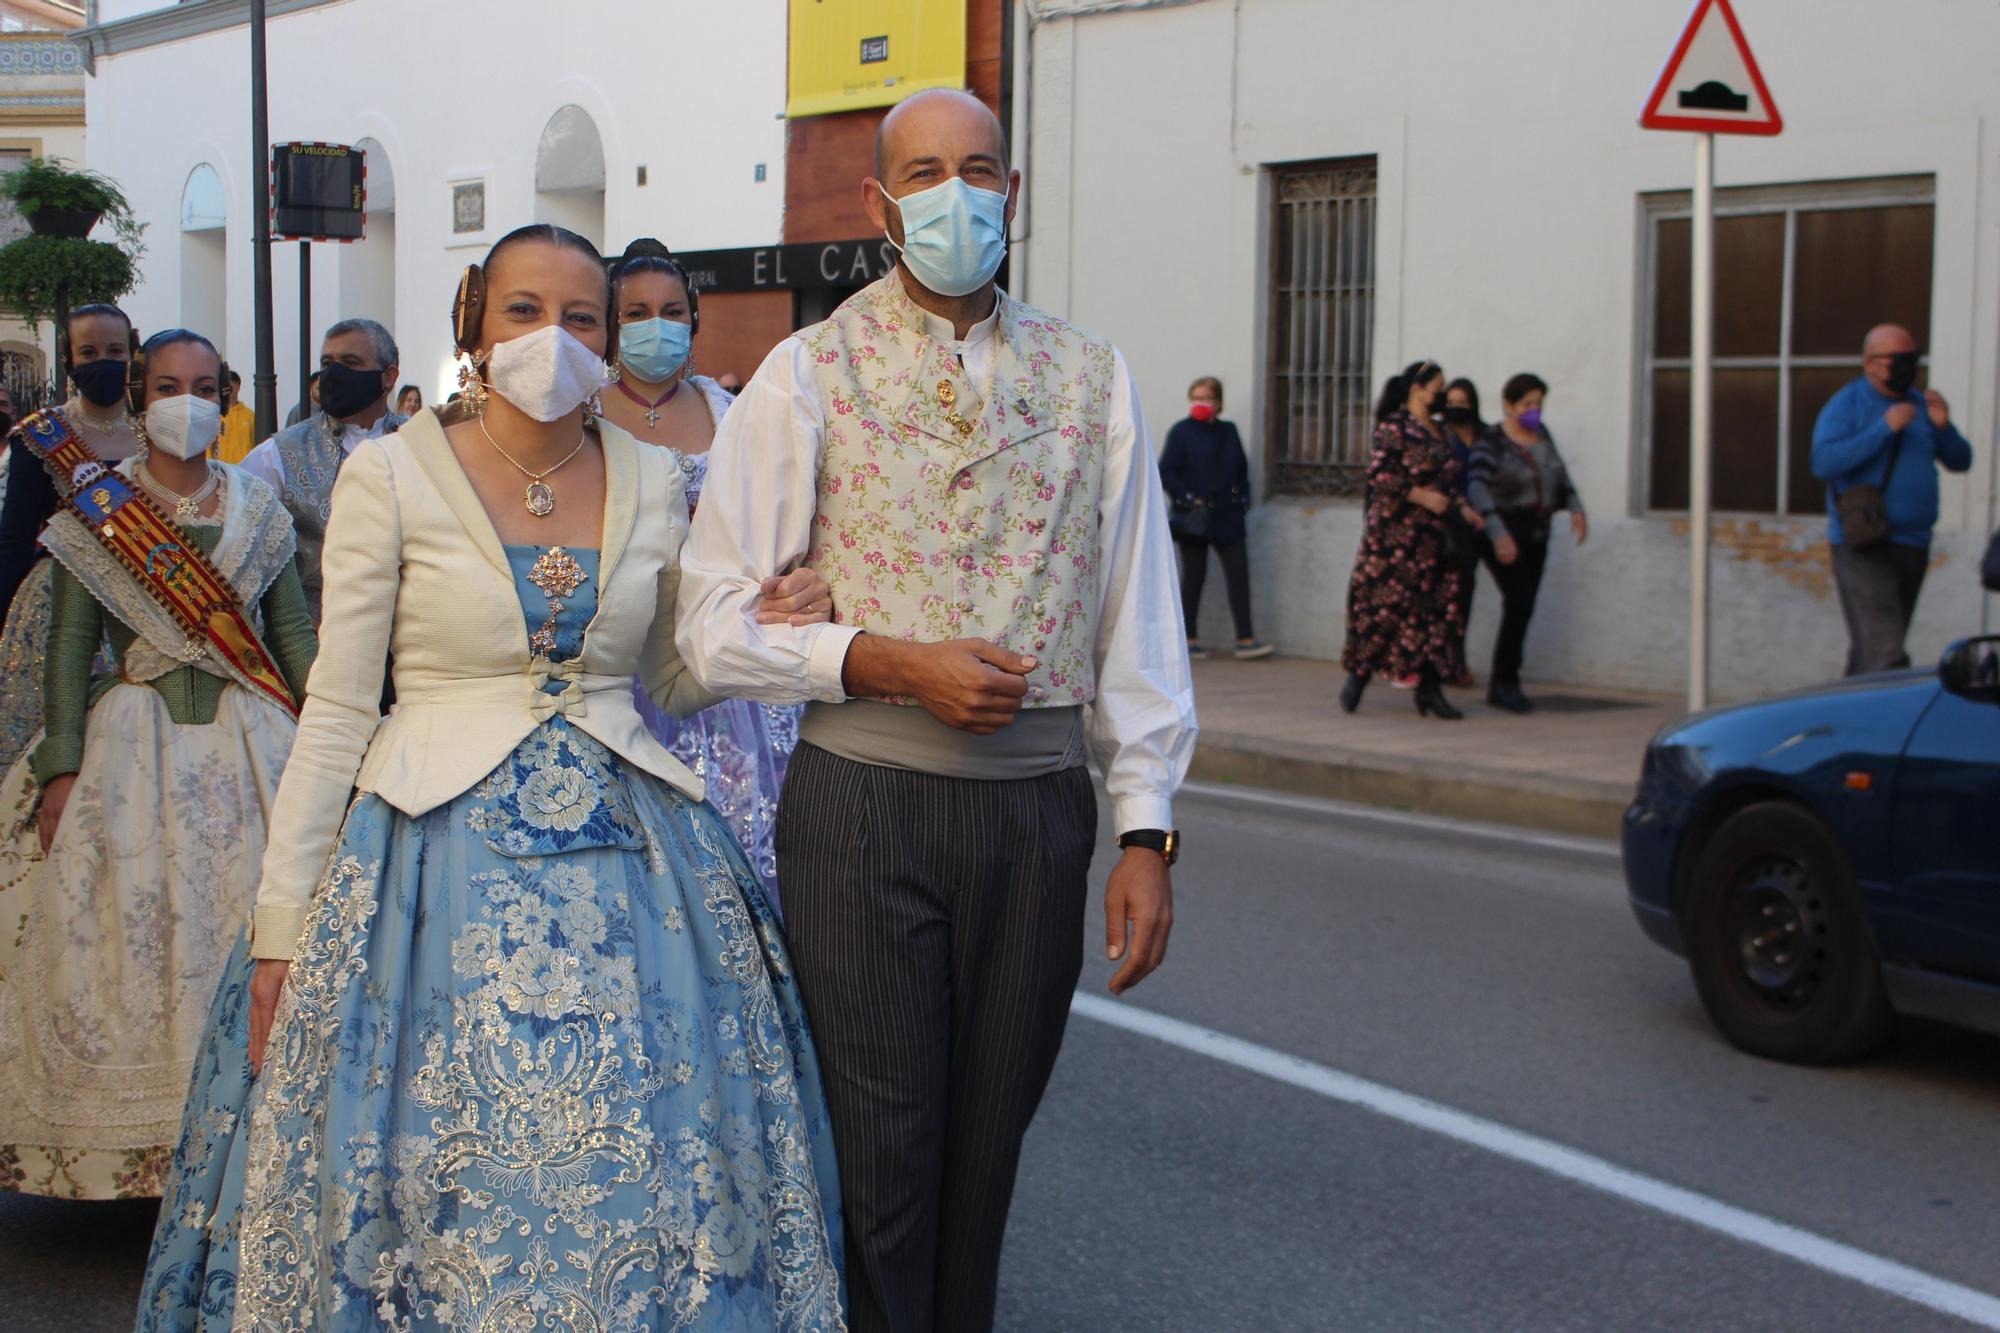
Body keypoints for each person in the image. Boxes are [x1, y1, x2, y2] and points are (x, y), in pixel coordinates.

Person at [135, 224, 844, 1330]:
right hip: (427, 851)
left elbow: (668, 673)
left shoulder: (658, 477)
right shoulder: (391, 472)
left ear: (607, 341)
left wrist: (754, 628)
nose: (551, 339)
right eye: (523, 310)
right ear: (473, 322)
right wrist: (281, 928)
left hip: (634, 855)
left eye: (580, 317)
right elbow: (338, 707)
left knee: (655, 1156)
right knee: (425, 1159)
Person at [679, 88, 1195, 1333]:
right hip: (863, 808)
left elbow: (1139, 619)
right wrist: (885, 661)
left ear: (1010, 192)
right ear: (878, 204)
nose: (953, 196)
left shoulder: (1093, 377)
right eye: (922, 172)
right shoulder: (804, 376)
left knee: (987, 1151)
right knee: (884, 1156)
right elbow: (709, 627)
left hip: (1035, 814)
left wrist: (1143, 830)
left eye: (977, 170)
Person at [0, 328, 315, 1202]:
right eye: (170, 384)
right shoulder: (96, 513)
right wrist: (61, 766)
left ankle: (251, 1147)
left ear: (228, 396)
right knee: (124, 935)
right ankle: (139, 1158)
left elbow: (290, 638)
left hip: (256, 744)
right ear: (141, 398)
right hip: (128, 751)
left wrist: (339, 738)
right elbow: (69, 644)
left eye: (206, 385)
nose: (189, 400)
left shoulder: (257, 512)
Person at [600, 237, 801, 904]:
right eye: (635, 313)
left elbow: (774, 520)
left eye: (671, 310)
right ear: (610, 323)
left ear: (693, 318)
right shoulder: (582, 418)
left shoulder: (732, 411)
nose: (656, 324)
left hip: (723, 658)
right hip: (620, 657)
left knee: (743, 851)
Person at [0, 304, 137, 773]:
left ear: (133, 353)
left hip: (145, 600)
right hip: (55, 604)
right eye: (89, 352)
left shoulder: (159, 433)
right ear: (69, 358)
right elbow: (14, 540)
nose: (104, 361)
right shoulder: (40, 436)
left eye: (115, 350)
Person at [1810, 323, 1974, 675]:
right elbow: (1824, 462)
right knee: (1886, 650)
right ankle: (1887, 721)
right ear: (1871, 363)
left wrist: (1944, 427)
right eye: (1896, 360)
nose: (1904, 368)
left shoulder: (1922, 403)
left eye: (1910, 359)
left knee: (1872, 647)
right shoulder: (1847, 404)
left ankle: (1851, 716)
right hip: (1865, 542)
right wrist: (1884, 429)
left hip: (1912, 541)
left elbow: (1961, 460)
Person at [1339, 359, 1477, 720]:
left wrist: (1463, 507)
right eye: (1438, 387)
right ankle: (1360, 674)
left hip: (1437, 540)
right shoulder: (1395, 427)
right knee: (1383, 609)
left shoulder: (1441, 431)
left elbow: (1447, 481)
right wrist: (1419, 496)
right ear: (1418, 390)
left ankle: (1430, 690)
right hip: (1396, 538)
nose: (1443, 395)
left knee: (1438, 615)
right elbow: (1380, 474)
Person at [241, 318, 405, 622]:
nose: (334, 374)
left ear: (388, 376)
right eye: (327, 363)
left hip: (411, 639)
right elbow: (245, 554)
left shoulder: (421, 444)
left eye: (350, 362)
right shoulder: (278, 454)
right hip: (318, 640)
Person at [1466, 373, 1587, 713]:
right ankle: (1505, 682)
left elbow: (1559, 474)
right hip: (1503, 532)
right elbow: (1476, 486)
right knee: (1518, 601)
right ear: (1509, 405)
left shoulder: (1542, 436)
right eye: (1527, 404)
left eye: (1538, 404)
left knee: (1525, 604)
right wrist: (1497, 533)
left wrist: (1576, 508)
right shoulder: (1492, 440)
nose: (1534, 411)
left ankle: (1505, 680)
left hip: (1537, 533)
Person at [1159, 375, 1271, 661]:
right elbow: (1167, 471)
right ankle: (1188, 638)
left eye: (1206, 398)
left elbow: (1241, 470)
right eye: (1195, 398)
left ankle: (1246, 639)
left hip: (1227, 516)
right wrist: (1187, 497)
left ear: (1218, 403)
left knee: (1239, 575)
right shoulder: (1182, 432)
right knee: (1193, 578)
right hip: (1194, 518)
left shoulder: (1228, 431)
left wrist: (1243, 499)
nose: (1200, 404)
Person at [1441, 378, 1486, 684]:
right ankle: (1448, 661)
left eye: (1463, 403)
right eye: (1452, 403)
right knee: (1449, 595)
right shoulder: (1441, 437)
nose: (1457, 409)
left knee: (1466, 593)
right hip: (1451, 522)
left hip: (1482, 522)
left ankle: (1455, 658)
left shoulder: (1486, 436)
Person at [214, 367, 257, 464]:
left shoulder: (249, 415)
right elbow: (208, 448)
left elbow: (258, 445)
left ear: (238, 386)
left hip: (245, 472)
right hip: (222, 472)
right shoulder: (215, 415)